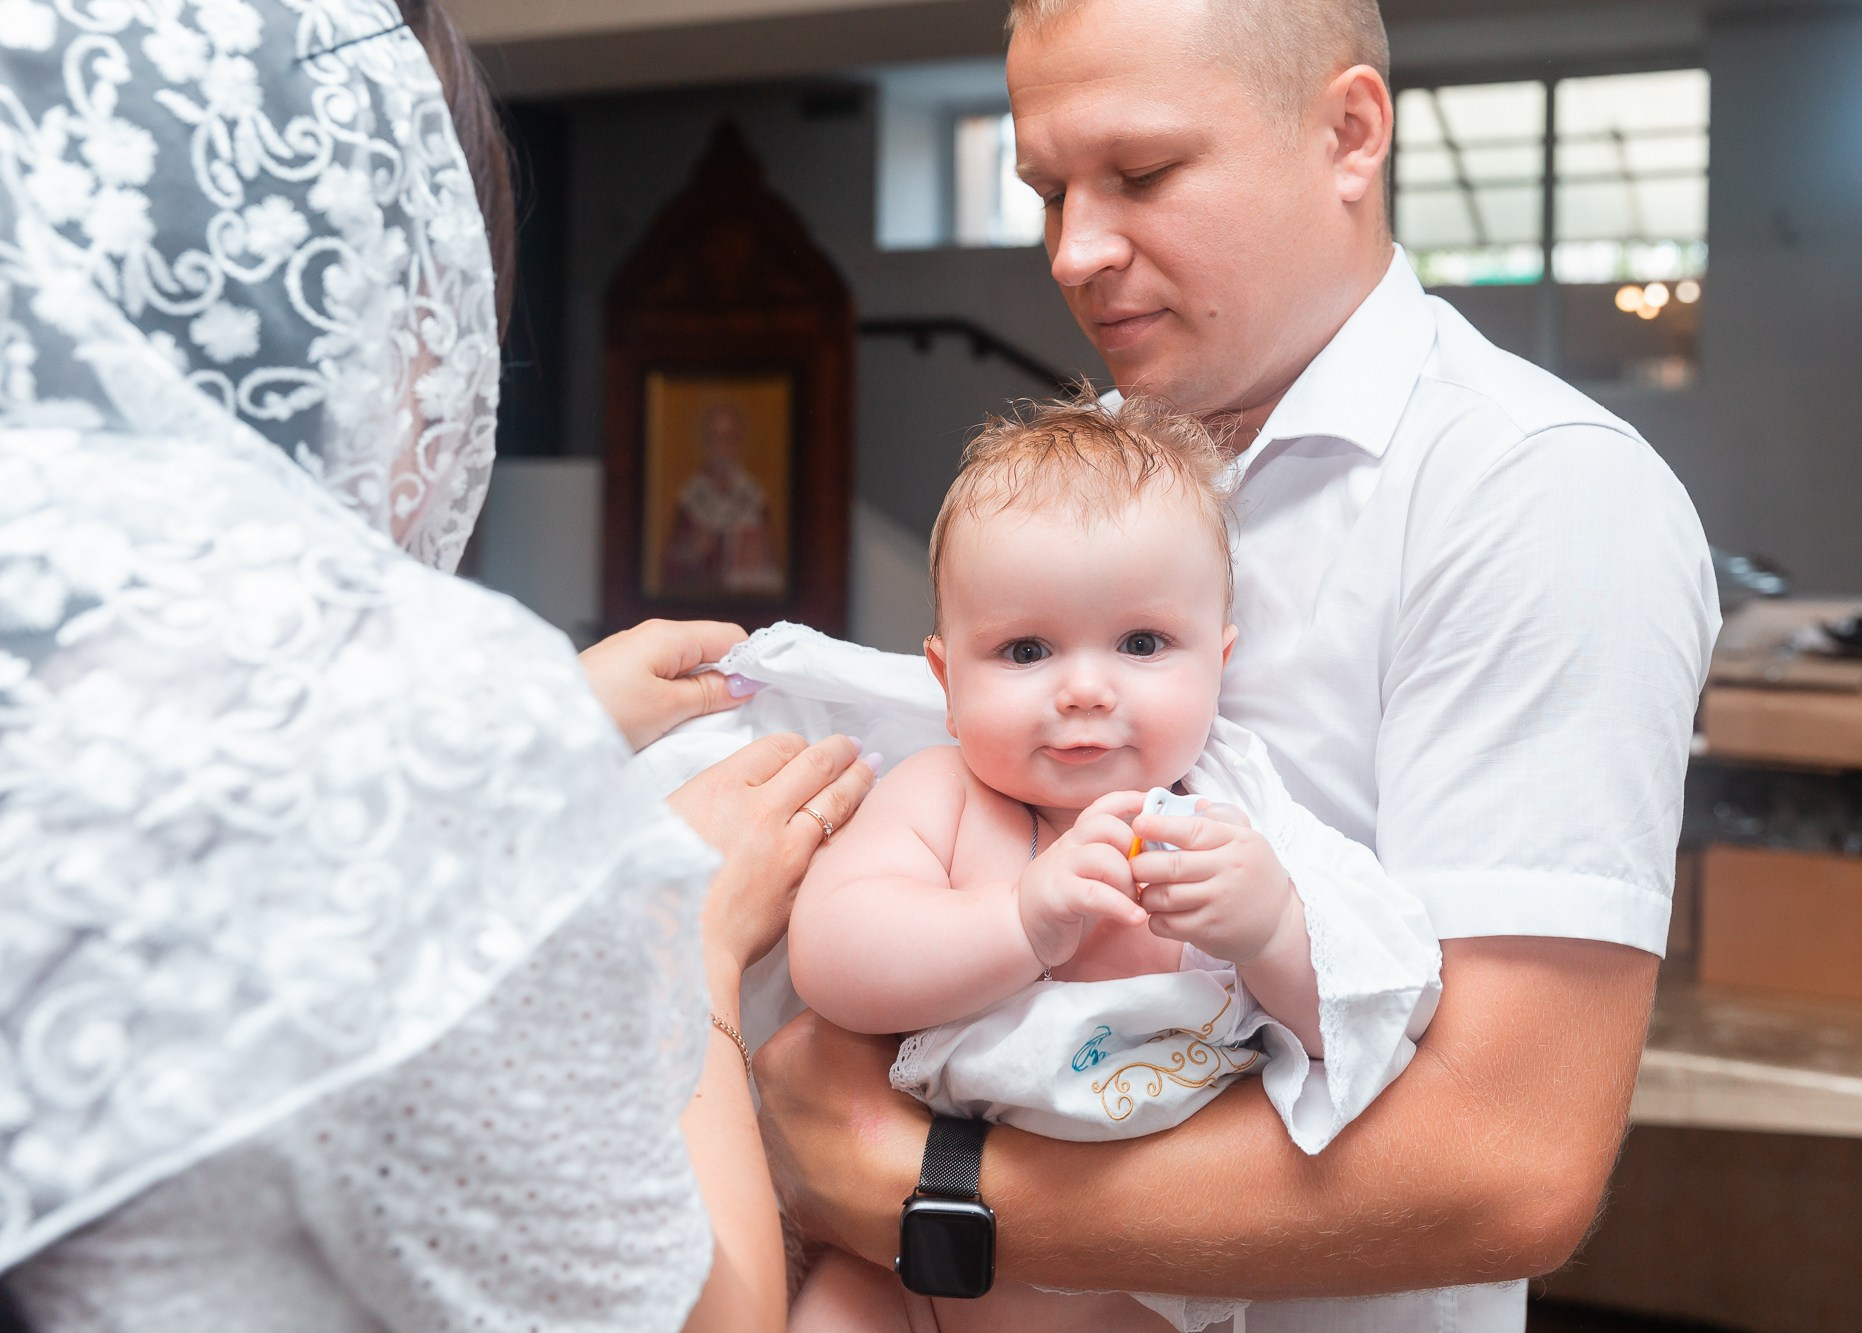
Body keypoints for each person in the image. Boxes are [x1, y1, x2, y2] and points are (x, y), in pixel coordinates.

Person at [753, 0, 1721, 1329]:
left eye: (1142, 173)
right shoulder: (1087, 474)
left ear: (1349, 133)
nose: (1074, 251)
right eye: (1047, 190)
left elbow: (1508, 1165)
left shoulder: (1531, 492)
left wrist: (925, 1189)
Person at [0, 2, 870, 1331]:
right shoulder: (421, 731)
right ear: (406, 317)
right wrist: (682, 928)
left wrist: (547, 736)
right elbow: (712, 1321)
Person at [786, 398, 1361, 1333]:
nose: (1086, 688)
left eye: (1142, 643)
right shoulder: (948, 799)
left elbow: (1370, 1018)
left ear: (1219, 662)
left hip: (1132, 1289)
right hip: (910, 1280)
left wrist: (1274, 932)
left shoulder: (1244, 829)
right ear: (947, 681)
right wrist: (1019, 918)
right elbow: (832, 955)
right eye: (1025, 649)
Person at [662, 403, 785, 597]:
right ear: (705, 441)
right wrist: (693, 552)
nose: (721, 447)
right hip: (698, 604)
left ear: (739, 441)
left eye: (728, 438)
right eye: (715, 438)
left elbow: (772, 570)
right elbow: (670, 570)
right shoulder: (690, 499)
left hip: (747, 606)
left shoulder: (753, 497)